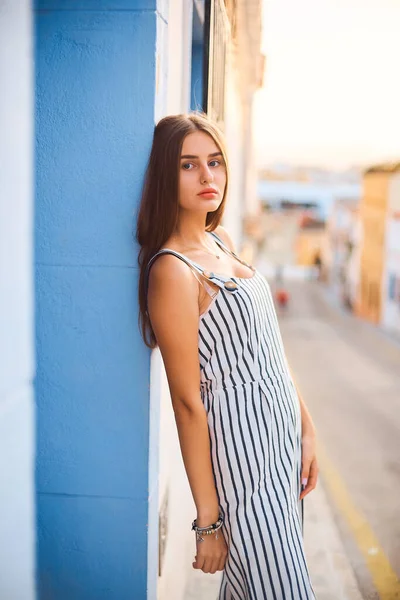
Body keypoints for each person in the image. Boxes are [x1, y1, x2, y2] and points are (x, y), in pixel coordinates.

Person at [136, 112, 317, 599]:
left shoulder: (222, 243)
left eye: (214, 162)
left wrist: (306, 425)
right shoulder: (172, 271)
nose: (207, 176)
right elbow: (188, 403)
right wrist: (208, 521)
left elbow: (269, 349)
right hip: (244, 456)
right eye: (188, 165)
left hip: (280, 444)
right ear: (163, 176)